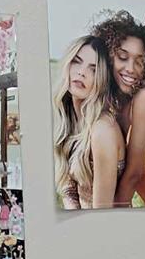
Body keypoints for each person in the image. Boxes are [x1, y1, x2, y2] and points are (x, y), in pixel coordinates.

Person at [91, 11, 145, 207]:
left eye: (139, 62)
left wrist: (114, 216)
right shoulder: (114, 106)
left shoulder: (144, 99)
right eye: (123, 57)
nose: (130, 68)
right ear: (108, 58)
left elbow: (133, 174)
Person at [52, 35, 125, 210]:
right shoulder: (72, 124)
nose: (81, 72)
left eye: (93, 69)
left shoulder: (103, 130)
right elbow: (70, 196)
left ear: (102, 81)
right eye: (76, 62)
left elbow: (101, 214)